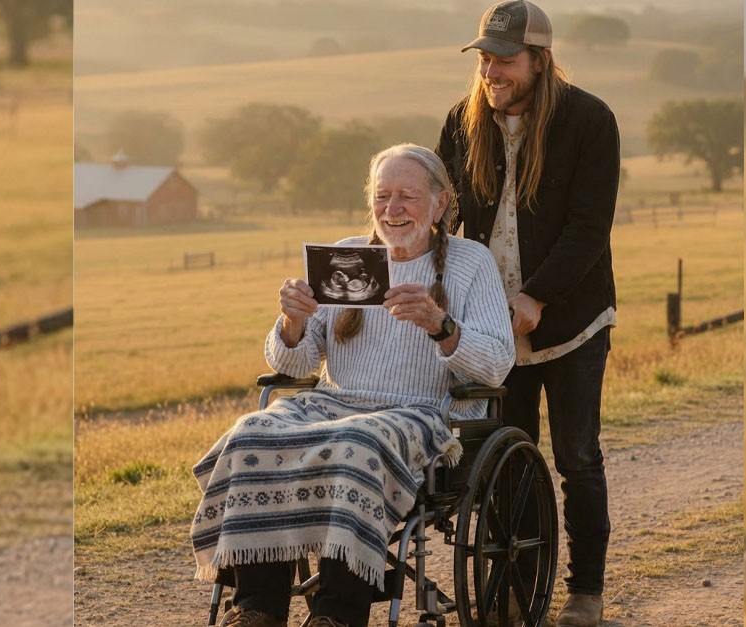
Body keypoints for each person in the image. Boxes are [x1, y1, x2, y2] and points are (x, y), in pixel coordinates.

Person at [190, 144, 515, 627]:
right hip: (333, 402)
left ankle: (336, 616)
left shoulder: (471, 264)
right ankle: (257, 608)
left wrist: (440, 324)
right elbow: (293, 362)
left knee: (357, 443)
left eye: (407, 196)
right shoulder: (348, 257)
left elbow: (497, 366)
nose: (393, 209)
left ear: (441, 203)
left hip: (424, 412)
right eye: (383, 196)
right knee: (252, 433)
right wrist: (292, 322)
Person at [435, 1, 621, 625]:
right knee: (504, 461)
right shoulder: (462, 124)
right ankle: (515, 588)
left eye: (506, 60)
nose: (492, 71)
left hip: (572, 322)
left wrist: (536, 295)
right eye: (485, 58)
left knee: (576, 458)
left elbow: (588, 228)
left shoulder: (589, 120)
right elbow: (442, 214)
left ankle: (585, 593)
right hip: (490, 331)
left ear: (540, 60)